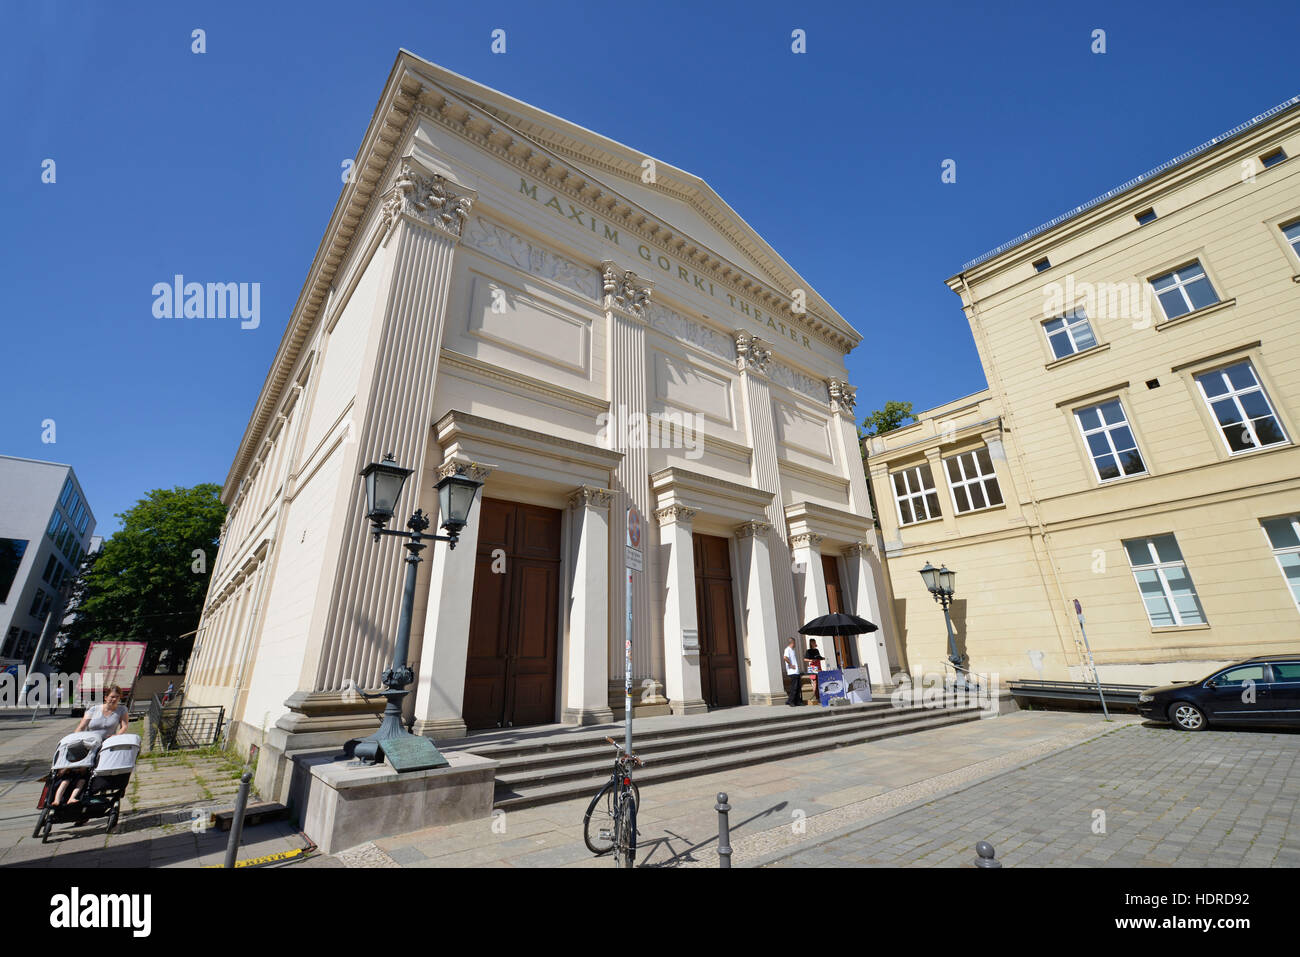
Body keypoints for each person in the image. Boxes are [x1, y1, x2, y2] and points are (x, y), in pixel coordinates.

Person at [52, 685, 129, 805]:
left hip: (105, 744)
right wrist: (73, 740)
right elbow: (82, 726)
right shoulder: (94, 709)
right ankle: (60, 797)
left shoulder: (121, 710)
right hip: (88, 743)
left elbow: (124, 726)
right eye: (112, 697)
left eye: (117, 697)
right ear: (105, 697)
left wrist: (116, 736)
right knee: (74, 767)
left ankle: (85, 794)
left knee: (92, 771)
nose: (114, 699)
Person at [783, 638, 803, 706]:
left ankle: (797, 701)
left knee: (798, 687)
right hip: (792, 672)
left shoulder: (792, 650)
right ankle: (791, 701)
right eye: (795, 643)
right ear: (793, 642)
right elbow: (785, 657)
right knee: (794, 687)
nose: (795, 644)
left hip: (796, 671)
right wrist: (790, 665)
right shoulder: (787, 649)